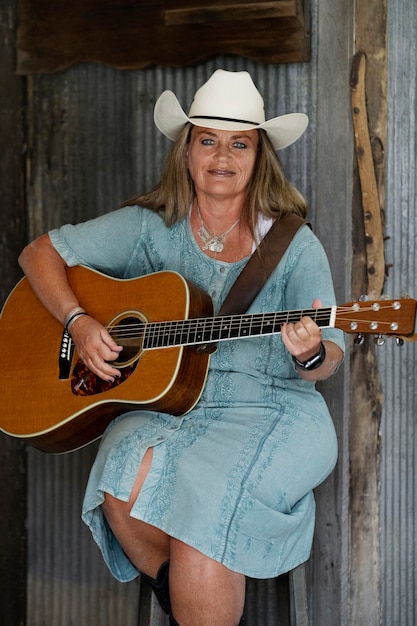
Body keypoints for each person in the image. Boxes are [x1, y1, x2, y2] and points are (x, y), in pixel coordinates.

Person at [19, 69, 344, 626]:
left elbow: (331, 354)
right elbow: (38, 254)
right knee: (121, 468)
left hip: (275, 410)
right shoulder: (151, 226)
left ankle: (192, 594)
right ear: (187, 152)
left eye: (239, 142)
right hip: (178, 408)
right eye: (208, 140)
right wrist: (77, 321)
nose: (223, 156)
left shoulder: (292, 243)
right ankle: (191, 597)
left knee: (203, 514)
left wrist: (310, 352)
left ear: (258, 155)